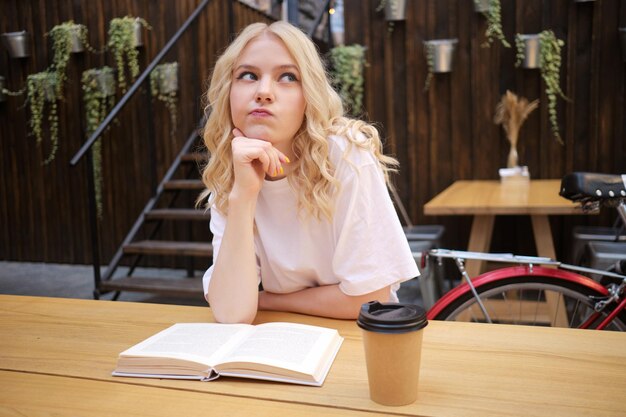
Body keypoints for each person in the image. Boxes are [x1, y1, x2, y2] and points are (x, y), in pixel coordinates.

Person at [198, 21, 418, 324]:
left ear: (308, 95)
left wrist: (267, 299)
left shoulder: (346, 156)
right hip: (281, 340)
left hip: (355, 339)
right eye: (248, 75)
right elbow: (231, 313)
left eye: (287, 77)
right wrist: (243, 196)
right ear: (228, 92)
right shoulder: (232, 174)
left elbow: (370, 299)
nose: (263, 92)